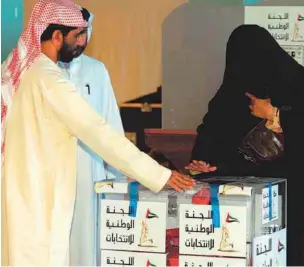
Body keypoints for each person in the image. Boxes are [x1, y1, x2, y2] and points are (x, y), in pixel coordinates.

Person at [1, 0, 195, 265]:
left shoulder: (28, 72)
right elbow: (98, 132)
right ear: (57, 36)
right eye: (77, 34)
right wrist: (159, 174)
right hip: (41, 194)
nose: (84, 39)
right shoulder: (48, 78)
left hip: (31, 190)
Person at [186, 25, 304, 266]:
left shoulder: (298, 82)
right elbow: (211, 130)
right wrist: (203, 161)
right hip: (242, 201)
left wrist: (275, 114)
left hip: (292, 197)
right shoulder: (231, 90)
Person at [57, 11, 126, 266]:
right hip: (52, 176)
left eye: (84, 34)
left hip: (89, 175)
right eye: (76, 35)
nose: (80, 41)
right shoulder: (41, 72)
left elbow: (111, 125)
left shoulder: (96, 71)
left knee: (88, 246)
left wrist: (118, 180)